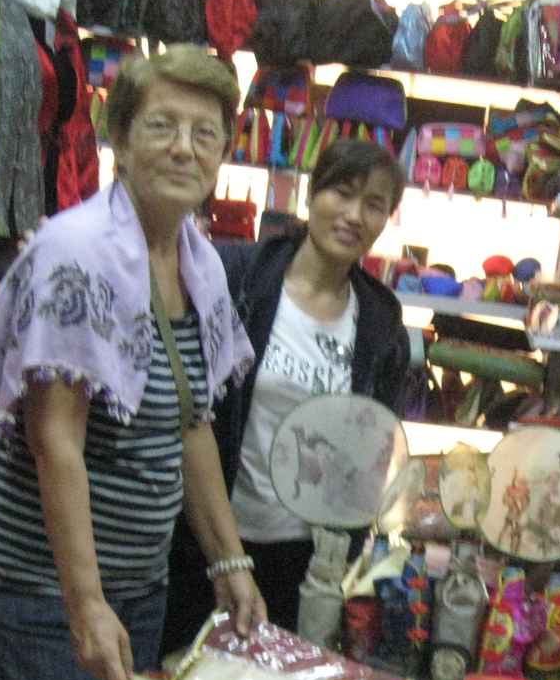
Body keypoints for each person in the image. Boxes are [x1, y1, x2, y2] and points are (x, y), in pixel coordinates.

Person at [0, 46, 265, 680]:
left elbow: (191, 424)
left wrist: (230, 561)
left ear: (225, 150)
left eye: (205, 132)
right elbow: (54, 442)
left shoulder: (197, 263)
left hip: (131, 586)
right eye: (161, 126)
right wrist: (85, 604)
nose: (184, 148)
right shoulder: (79, 255)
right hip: (35, 589)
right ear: (120, 141)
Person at [163, 138, 409, 650]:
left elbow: (372, 452)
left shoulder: (380, 320)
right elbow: (185, 409)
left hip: (303, 562)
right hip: (205, 544)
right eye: (342, 193)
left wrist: (345, 559)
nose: (354, 215)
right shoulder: (237, 276)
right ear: (312, 194)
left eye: (374, 204)